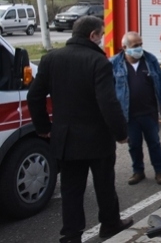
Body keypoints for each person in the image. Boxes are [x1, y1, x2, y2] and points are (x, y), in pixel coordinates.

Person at [27, 16, 133, 243]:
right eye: (101, 35)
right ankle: (110, 224)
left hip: (66, 139)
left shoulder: (50, 59)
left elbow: (34, 95)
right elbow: (108, 102)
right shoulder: (98, 62)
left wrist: (44, 127)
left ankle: (71, 236)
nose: (102, 39)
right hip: (98, 140)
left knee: (71, 190)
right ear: (92, 35)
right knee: (104, 185)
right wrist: (121, 133)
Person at [110, 31, 161, 186]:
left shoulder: (150, 60)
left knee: (154, 143)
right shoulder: (114, 64)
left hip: (149, 112)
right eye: (136, 46)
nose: (139, 48)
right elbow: (109, 88)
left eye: (141, 44)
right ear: (124, 47)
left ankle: (160, 171)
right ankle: (138, 171)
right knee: (134, 145)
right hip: (129, 114)